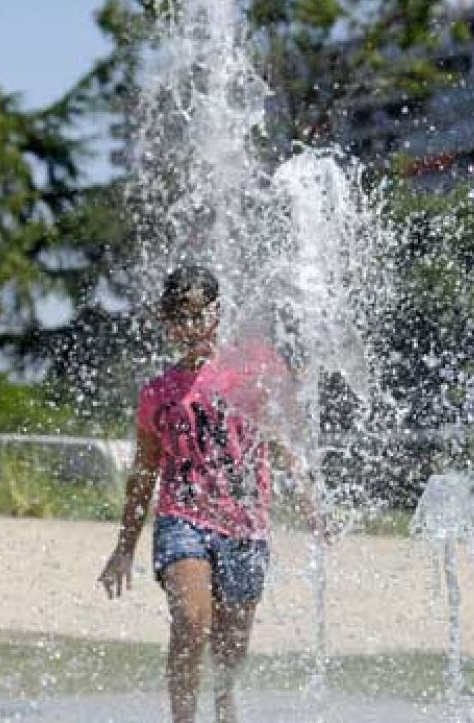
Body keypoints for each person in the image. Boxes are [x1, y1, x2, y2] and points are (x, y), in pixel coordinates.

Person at [99, 265, 313, 723]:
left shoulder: (248, 372)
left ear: (218, 314)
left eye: (200, 316)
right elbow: (143, 473)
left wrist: (311, 503)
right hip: (183, 519)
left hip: (245, 526)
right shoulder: (158, 392)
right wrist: (124, 547)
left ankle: (224, 708)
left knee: (230, 649)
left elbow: (278, 445)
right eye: (180, 318)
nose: (190, 328)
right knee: (191, 623)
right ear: (165, 321)